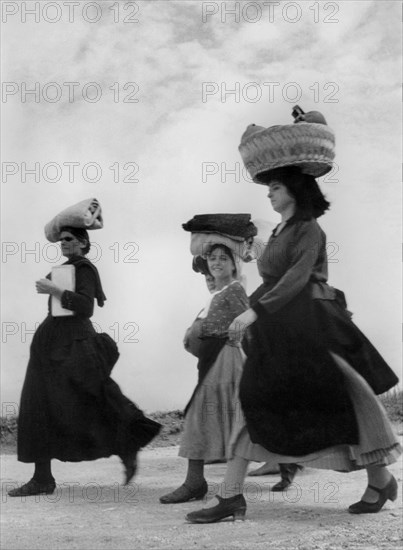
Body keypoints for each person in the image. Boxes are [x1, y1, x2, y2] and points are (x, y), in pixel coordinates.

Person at [185, 110, 401, 523]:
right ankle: (232, 494)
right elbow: (271, 280)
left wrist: (252, 314)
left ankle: (379, 479)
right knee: (259, 397)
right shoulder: (281, 231)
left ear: (295, 190)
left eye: (276, 187)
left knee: (342, 399)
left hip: (312, 325)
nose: (269, 194)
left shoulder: (309, 229)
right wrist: (252, 310)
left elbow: (298, 279)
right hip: (280, 327)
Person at [8, 226, 161, 497]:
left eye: (68, 239)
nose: (63, 243)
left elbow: (85, 307)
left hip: (73, 345)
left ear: (82, 242)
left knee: (94, 402)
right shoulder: (68, 267)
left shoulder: (85, 268)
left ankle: (127, 445)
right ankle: (42, 478)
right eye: (61, 240)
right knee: (39, 405)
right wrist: (54, 283)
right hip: (52, 345)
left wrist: (54, 288)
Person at [159, 242, 249, 504]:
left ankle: (195, 482)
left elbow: (249, 322)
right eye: (212, 258)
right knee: (213, 418)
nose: (217, 262)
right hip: (211, 360)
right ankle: (198, 482)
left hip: (224, 361)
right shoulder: (219, 292)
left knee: (203, 416)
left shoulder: (234, 290)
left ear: (234, 264)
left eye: (223, 258)